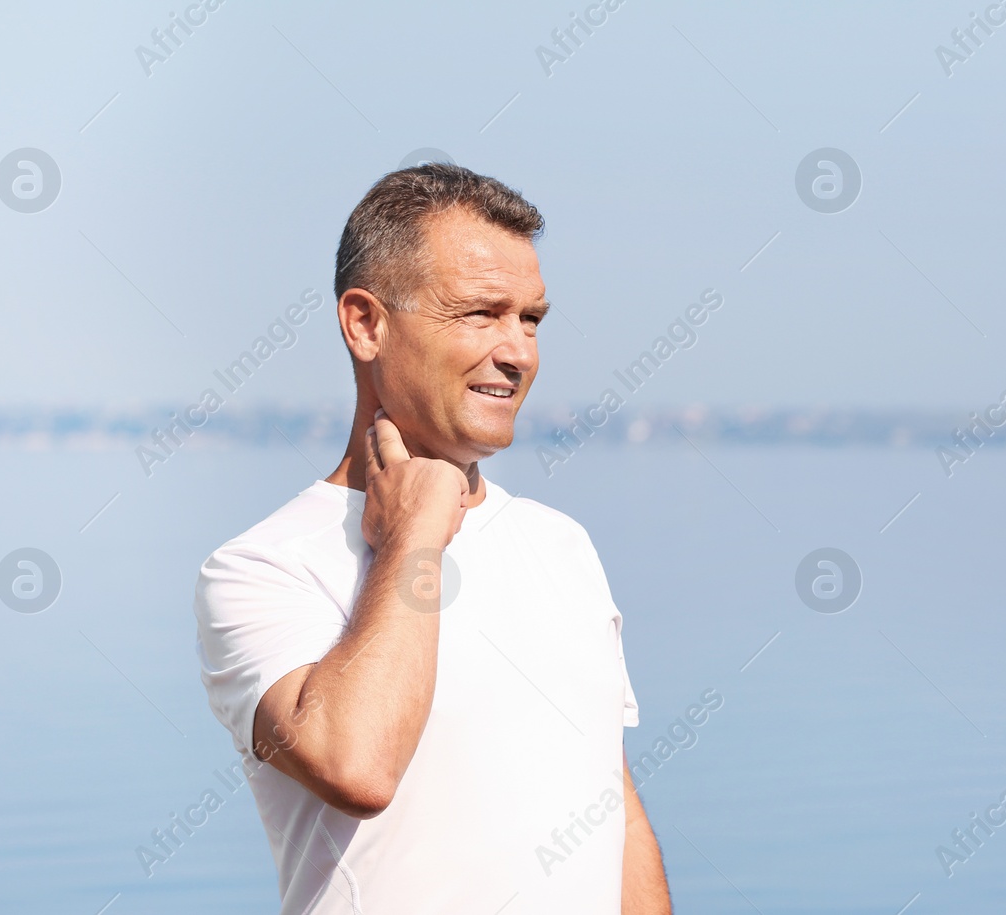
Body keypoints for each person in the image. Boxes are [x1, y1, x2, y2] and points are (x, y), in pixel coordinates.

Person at [194, 164, 671, 913]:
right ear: (366, 323)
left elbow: (613, 806)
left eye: (531, 318)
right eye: (482, 313)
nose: (518, 352)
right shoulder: (259, 568)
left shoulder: (562, 546)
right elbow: (358, 766)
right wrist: (414, 535)